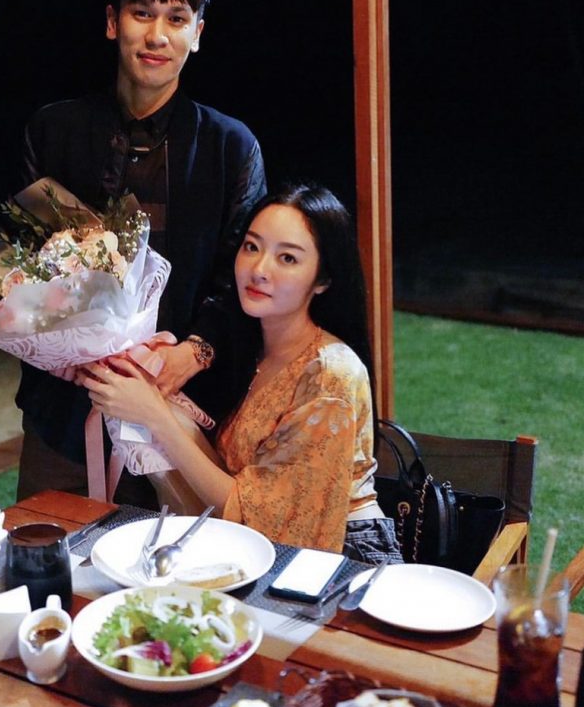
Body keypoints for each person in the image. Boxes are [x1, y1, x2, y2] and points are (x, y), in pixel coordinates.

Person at [14, 0, 266, 505]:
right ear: (113, 22)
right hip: (63, 414)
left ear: (197, 33)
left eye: (177, 18)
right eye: (142, 13)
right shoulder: (53, 131)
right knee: (44, 550)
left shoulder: (231, 147)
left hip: (180, 418)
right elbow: (24, 266)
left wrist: (192, 353)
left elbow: (243, 280)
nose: (157, 35)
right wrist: (68, 352)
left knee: (176, 557)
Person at [81, 183, 403, 562]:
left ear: (323, 280)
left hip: (340, 558)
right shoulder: (253, 346)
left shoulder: (330, 374)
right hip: (259, 549)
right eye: (252, 247)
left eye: (287, 258)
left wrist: (153, 414)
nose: (259, 269)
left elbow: (269, 523)